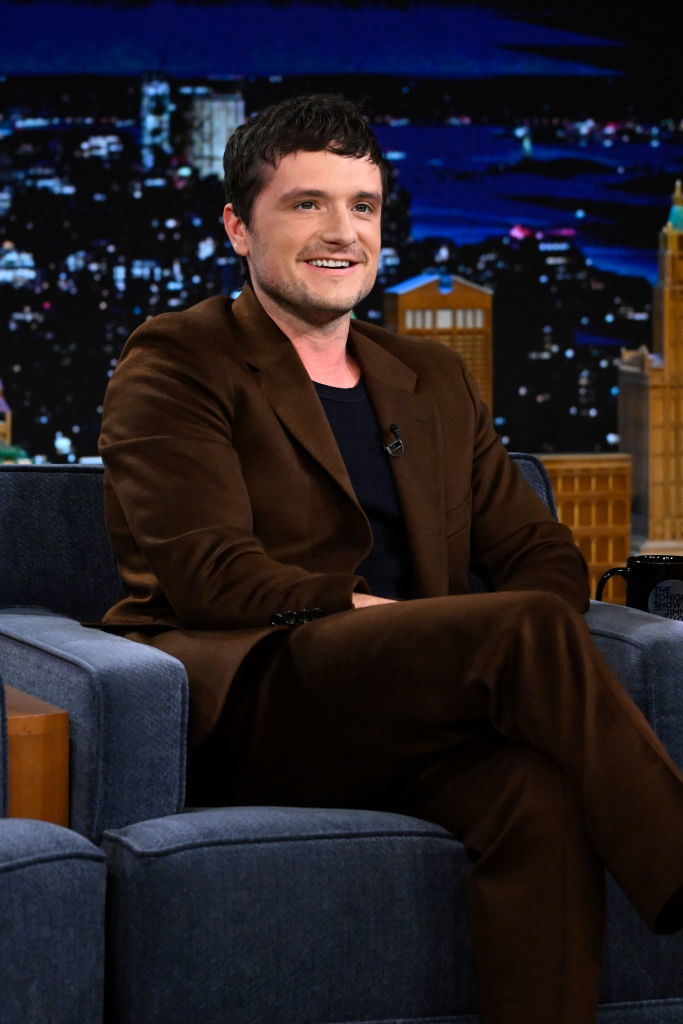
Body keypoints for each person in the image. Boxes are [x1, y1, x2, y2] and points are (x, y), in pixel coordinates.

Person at [99, 94, 683, 1024]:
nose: (342, 233)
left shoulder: (428, 378)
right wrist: (422, 629)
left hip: (413, 709)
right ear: (238, 228)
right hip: (264, 701)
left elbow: (537, 551)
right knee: (524, 627)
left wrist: (456, 640)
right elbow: (210, 575)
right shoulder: (175, 360)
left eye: (362, 206)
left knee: (536, 793)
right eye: (306, 205)